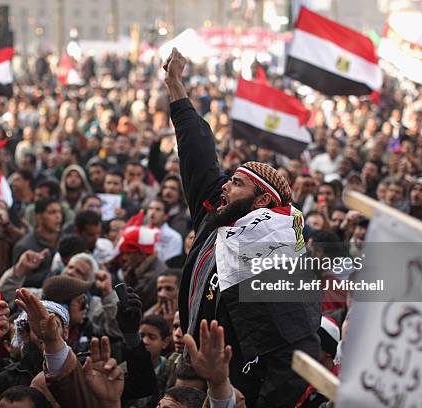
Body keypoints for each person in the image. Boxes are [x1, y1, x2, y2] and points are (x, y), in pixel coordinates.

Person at [164, 48, 320, 407]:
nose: (223, 187)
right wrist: (176, 88)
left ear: (262, 201)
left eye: (236, 183)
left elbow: (294, 352)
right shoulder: (216, 217)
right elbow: (197, 151)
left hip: (240, 390)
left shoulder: (277, 254)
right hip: (193, 375)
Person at [11, 198, 63, 288]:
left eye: (59, 212)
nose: (58, 216)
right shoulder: (25, 246)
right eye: (52, 212)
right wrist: (52, 274)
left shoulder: (65, 239)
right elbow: (20, 279)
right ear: (39, 217)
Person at [117, 225, 167, 311]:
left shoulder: (152, 277)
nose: (124, 257)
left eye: (128, 253)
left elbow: (130, 307)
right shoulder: (140, 269)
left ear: (141, 253)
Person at [146, 198, 184, 263]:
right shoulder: (139, 231)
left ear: (166, 216)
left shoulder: (174, 237)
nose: (152, 212)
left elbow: (170, 264)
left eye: (158, 209)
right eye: (150, 208)